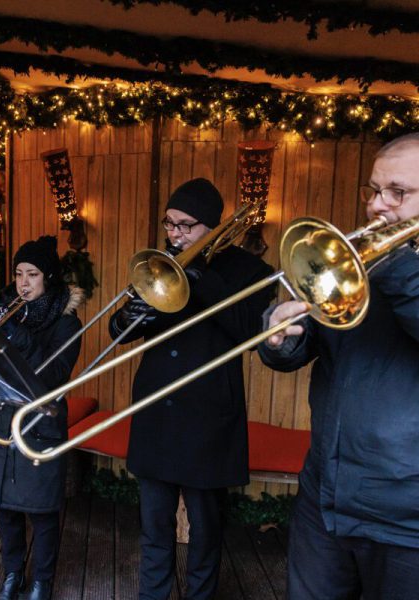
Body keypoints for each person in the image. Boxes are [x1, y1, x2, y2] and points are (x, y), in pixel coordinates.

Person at [258, 133, 419, 600]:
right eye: (373, 190)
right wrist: (280, 336)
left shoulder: (384, 265)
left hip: (408, 522)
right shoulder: (365, 265)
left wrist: (394, 264)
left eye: (399, 192)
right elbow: (307, 346)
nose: (377, 205)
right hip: (325, 500)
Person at [108, 178, 274, 600]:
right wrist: (136, 313)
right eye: (169, 224)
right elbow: (115, 331)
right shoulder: (160, 264)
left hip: (208, 418)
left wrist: (203, 283)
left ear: (213, 226)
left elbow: (250, 332)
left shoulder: (250, 271)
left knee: (206, 529)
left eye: (185, 225)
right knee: (154, 525)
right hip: (157, 410)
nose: (174, 234)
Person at [0, 235, 85, 600]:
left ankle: (41, 581)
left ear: (48, 277)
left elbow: (51, 376)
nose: (23, 282)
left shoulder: (67, 323)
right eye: (19, 273)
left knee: (41, 509)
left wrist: (13, 334)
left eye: (32, 274)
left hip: (40, 423)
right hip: (1, 419)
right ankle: (13, 574)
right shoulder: (5, 311)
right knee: (4, 505)